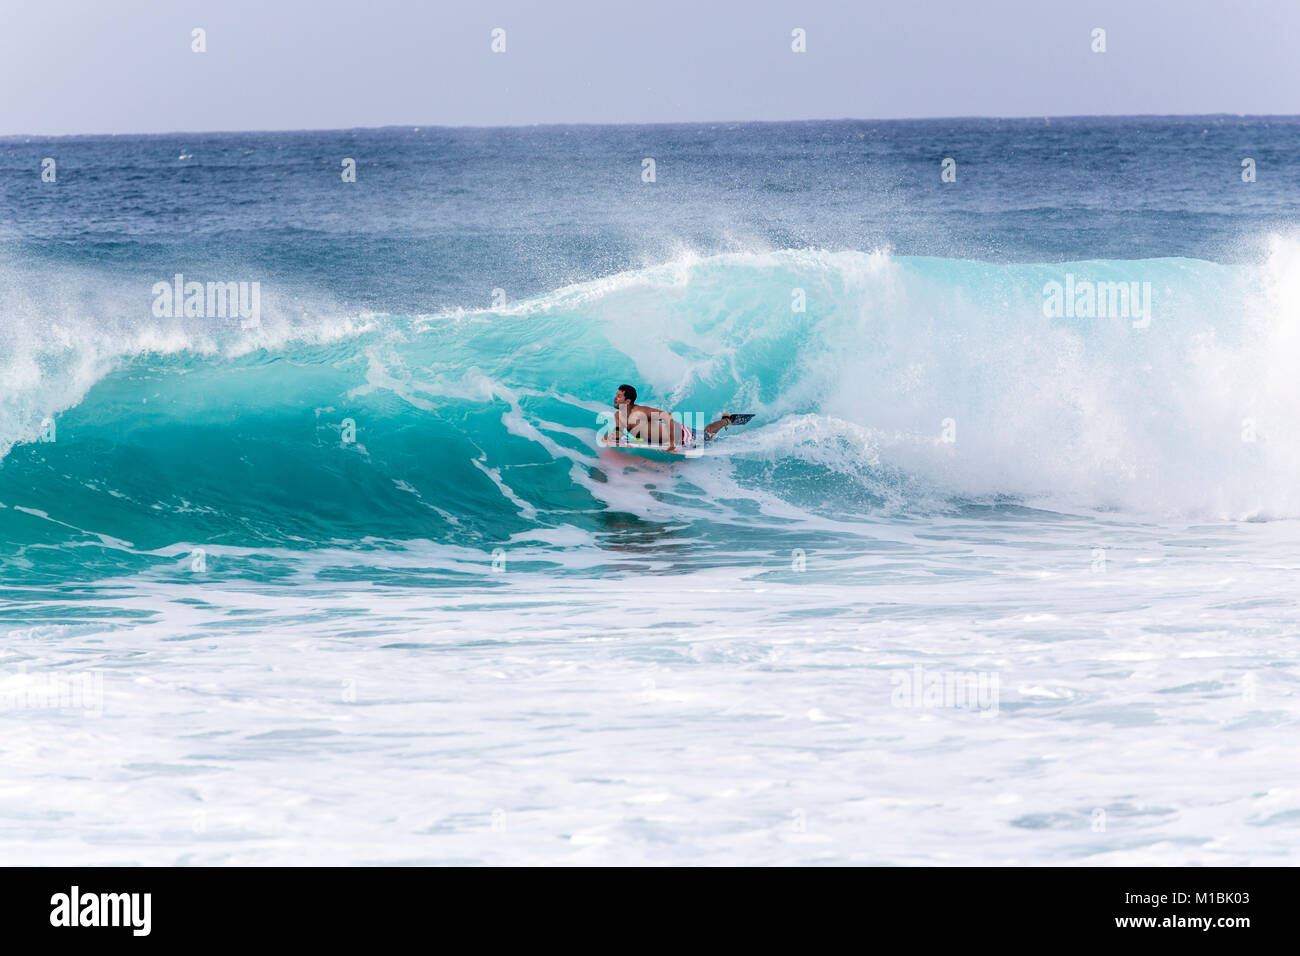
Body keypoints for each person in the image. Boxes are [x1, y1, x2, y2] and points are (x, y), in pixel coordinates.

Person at [608, 384, 734, 451]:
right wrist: (612, 436)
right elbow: (619, 431)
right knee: (706, 434)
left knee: (707, 435)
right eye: (616, 395)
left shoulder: (640, 412)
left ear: (628, 401)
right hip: (662, 440)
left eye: (619, 396)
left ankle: (726, 420)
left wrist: (673, 443)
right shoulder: (618, 415)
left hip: (681, 436)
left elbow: (668, 417)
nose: (615, 398)